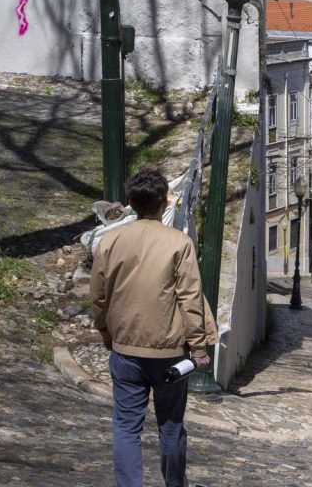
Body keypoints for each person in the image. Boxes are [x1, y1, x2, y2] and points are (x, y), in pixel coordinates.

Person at [91, 167, 218, 487]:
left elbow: (99, 296)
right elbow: (190, 299)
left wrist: (107, 334)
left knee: (126, 427)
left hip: (125, 350)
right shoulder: (179, 243)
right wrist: (200, 348)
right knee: (171, 427)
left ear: (132, 203)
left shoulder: (110, 241)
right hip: (171, 353)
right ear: (163, 203)